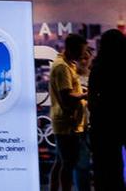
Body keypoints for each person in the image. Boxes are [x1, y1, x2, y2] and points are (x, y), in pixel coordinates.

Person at [52, 33, 90, 191]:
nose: (83, 55)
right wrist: (87, 94)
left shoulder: (68, 64)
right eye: (80, 52)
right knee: (68, 164)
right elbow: (66, 96)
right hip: (67, 123)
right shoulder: (62, 67)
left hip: (68, 122)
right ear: (71, 49)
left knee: (62, 162)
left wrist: (81, 91)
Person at [91, 29, 126, 191]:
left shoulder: (98, 66)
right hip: (122, 118)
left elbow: (92, 98)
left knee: (108, 166)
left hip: (103, 122)